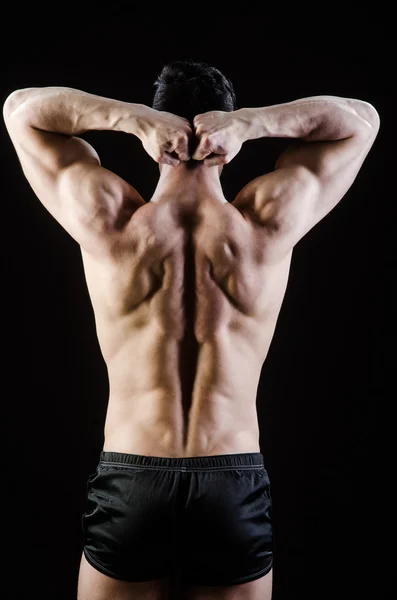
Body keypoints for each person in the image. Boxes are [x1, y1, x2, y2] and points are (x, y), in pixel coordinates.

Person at [3, 60, 379, 600]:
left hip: (131, 476)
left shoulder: (106, 216)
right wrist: (249, 124)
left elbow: (21, 109)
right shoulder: (267, 222)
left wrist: (128, 119)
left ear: (155, 123)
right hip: (233, 479)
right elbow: (361, 120)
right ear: (228, 130)